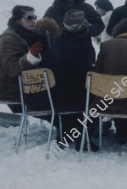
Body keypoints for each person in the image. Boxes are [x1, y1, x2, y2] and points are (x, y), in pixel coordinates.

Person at [40, 10, 95, 146]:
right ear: (81, 30)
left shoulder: (57, 44)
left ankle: (67, 130)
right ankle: (82, 134)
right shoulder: (79, 47)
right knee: (100, 96)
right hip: (67, 97)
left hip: (49, 96)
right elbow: (84, 75)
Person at [0, 5, 44, 112]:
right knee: (55, 99)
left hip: (21, 86)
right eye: (29, 18)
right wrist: (30, 57)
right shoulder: (9, 39)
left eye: (34, 17)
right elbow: (11, 69)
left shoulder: (24, 34)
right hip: (11, 91)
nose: (33, 21)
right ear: (17, 20)